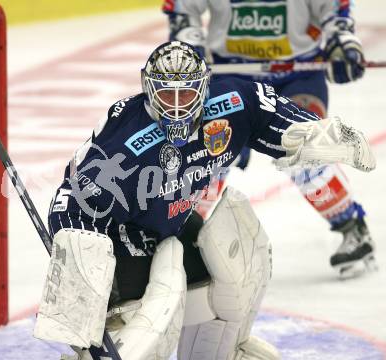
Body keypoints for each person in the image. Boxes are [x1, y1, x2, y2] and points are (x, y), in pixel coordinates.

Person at [33, 41, 375, 360]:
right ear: (147, 89)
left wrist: (313, 132)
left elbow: (271, 118)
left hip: (173, 219)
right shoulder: (126, 143)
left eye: (187, 93)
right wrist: (85, 276)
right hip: (127, 237)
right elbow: (71, 203)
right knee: (159, 308)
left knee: (239, 253)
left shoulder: (233, 102)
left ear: (205, 86)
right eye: (168, 95)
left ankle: (221, 351)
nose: (178, 106)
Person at [163, 0, 377, 278]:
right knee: (211, 151)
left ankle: (351, 227)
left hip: (296, 74)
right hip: (231, 76)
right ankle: (183, 234)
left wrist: (341, 41)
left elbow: (334, 9)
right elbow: (183, 10)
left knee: (304, 149)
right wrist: (189, 44)